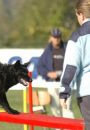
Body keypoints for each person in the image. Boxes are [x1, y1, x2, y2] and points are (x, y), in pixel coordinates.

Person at [59, 0, 90, 129]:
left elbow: (71, 66)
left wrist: (64, 91)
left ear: (81, 14)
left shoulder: (78, 36)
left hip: (87, 93)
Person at [37, 28, 74, 119]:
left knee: (67, 108)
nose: (56, 39)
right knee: (55, 108)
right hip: (52, 83)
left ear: (61, 37)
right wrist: (48, 74)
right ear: (51, 37)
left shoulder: (67, 48)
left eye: (58, 37)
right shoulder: (48, 50)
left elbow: (74, 63)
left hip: (65, 83)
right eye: (54, 37)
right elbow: (39, 66)